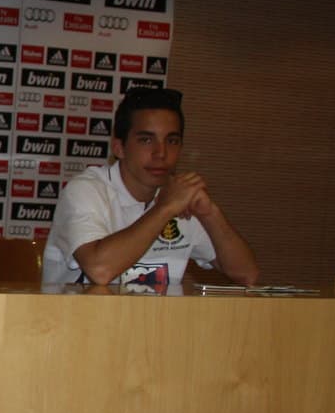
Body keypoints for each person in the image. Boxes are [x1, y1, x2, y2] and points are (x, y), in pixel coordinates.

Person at [43, 86, 258, 287]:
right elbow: (99, 270)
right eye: (146, 140)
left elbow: (246, 274)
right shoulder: (85, 190)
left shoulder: (179, 197)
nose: (161, 153)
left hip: (152, 324)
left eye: (172, 141)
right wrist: (165, 209)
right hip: (79, 323)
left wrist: (210, 213)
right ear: (119, 147)